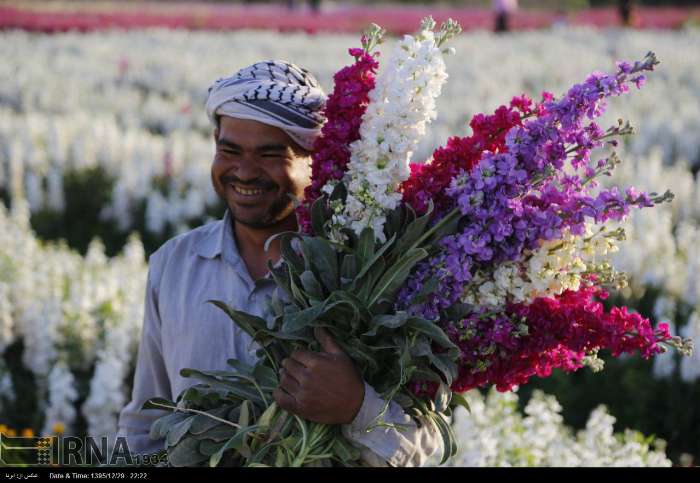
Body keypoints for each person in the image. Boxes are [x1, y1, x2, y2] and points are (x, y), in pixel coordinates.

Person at [116, 60, 441, 467]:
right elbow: (145, 422)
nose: (245, 172)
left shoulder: (373, 272)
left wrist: (358, 408)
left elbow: (426, 445)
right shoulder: (175, 264)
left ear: (315, 159)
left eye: (271, 155)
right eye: (229, 150)